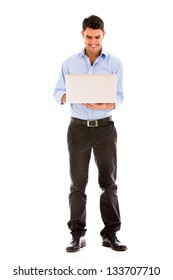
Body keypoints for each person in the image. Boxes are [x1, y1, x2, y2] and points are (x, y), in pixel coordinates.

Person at [54, 15, 127, 252]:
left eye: (97, 37)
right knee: (78, 184)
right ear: (82, 35)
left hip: (105, 128)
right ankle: (77, 234)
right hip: (78, 129)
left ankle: (111, 234)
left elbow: (119, 96)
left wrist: (108, 104)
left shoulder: (114, 63)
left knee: (109, 183)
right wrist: (72, 96)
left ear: (103, 35)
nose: (93, 41)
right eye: (89, 37)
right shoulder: (69, 63)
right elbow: (57, 93)